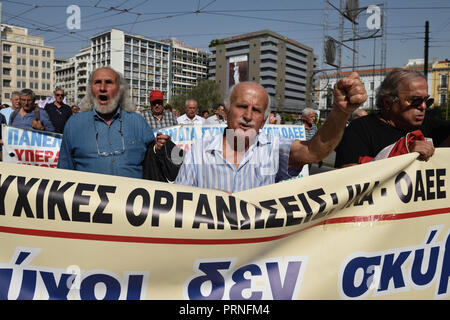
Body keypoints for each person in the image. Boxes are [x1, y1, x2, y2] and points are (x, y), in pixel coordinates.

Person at [175, 74, 367, 193]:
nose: (248, 116)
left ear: (264, 121)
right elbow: (178, 204)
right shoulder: (199, 151)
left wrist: (340, 112)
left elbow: (314, 152)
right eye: (242, 106)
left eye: (256, 110)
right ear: (225, 111)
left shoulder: (273, 149)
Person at [58, 67, 169, 179]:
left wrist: (159, 147)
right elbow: (63, 172)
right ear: (91, 90)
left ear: (120, 90)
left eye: (109, 82)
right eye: (97, 82)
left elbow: (153, 159)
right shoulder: (74, 124)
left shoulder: (138, 122)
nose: (102, 88)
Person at [335, 68, 450, 168]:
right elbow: (347, 176)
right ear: (387, 103)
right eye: (415, 101)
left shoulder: (429, 125)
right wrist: (403, 155)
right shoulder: (360, 128)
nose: (423, 106)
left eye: (426, 101)